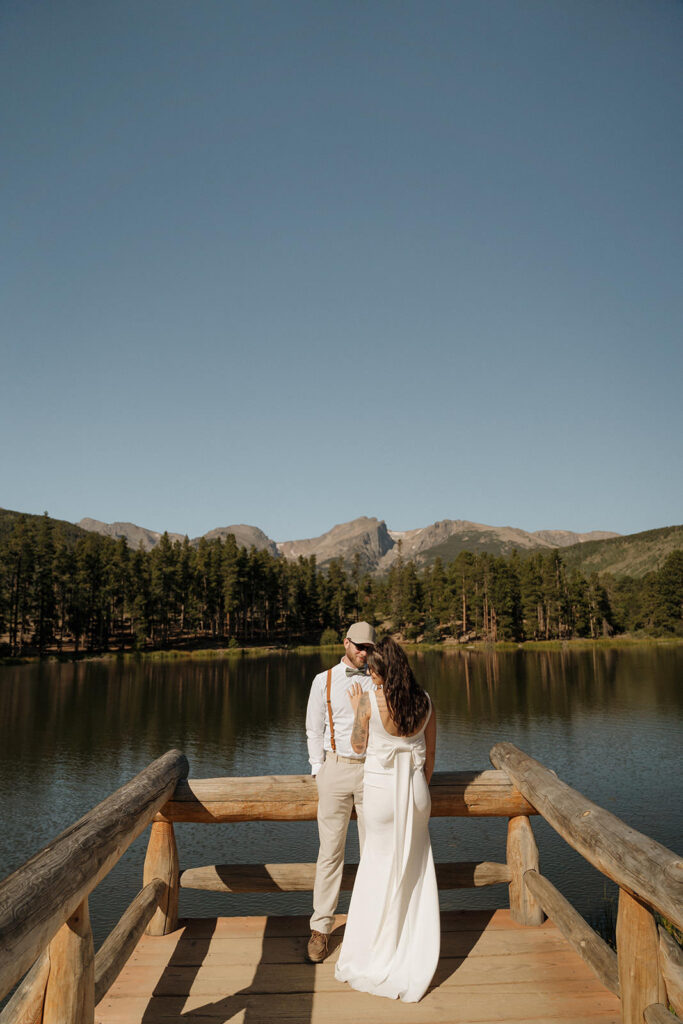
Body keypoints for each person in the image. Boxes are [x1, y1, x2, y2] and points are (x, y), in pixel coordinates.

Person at [334, 636, 439, 1002]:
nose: (371, 676)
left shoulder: (367, 700)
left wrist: (355, 707)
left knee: (377, 867)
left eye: (375, 672)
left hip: (379, 793)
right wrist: (417, 790)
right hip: (415, 791)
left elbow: (359, 747)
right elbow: (430, 758)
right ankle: (411, 946)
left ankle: (373, 950)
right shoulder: (424, 701)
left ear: (385, 670)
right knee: (414, 868)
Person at [305, 620, 376, 963]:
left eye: (369, 648)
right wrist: (319, 769)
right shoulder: (324, 680)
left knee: (374, 851)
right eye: (359, 646)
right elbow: (313, 727)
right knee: (330, 853)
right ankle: (321, 928)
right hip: (334, 770)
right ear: (345, 643)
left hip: (371, 773)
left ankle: (373, 926)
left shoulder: (379, 680)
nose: (364, 653)